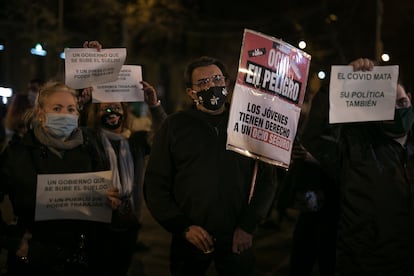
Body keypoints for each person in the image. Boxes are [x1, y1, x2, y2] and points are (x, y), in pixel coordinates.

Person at [143, 56, 278, 275]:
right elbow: (156, 183)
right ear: (190, 92)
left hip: (237, 237)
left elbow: (267, 179)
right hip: (190, 239)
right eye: (203, 83)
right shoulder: (174, 127)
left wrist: (248, 225)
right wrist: (182, 227)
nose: (212, 86)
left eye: (217, 79)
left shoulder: (248, 124)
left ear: (226, 83)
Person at [302, 58, 414, 276]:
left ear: (410, 99)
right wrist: (341, 84)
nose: (398, 110)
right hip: (364, 264)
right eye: (389, 105)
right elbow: (315, 138)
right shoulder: (357, 146)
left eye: (402, 102)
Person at [0, 81, 121, 275]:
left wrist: (110, 200)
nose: (65, 114)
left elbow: (104, 202)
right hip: (33, 260)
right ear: (41, 114)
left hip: (82, 259)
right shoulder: (18, 153)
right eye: (57, 108)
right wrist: (14, 242)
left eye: (71, 109)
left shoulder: (90, 151)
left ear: (77, 115)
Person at [85, 80, 167, 275]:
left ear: (124, 110)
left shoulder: (136, 141)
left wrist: (154, 105)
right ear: (95, 114)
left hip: (129, 220)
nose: (111, 112)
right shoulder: (90, 140)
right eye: (104, 109)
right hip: (97, 220)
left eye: (116, 107)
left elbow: (165, 134)